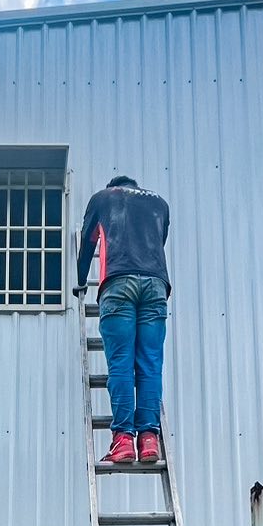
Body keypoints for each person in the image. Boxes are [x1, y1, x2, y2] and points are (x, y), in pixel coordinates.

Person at [74, 175, 170, 465]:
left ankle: (124, 440)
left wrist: (80, 282)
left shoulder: (103, 198)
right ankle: (149, 438)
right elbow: (158, 242)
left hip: (119, 284)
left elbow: (88, 244)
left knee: (121, 364)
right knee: (151, 364)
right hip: (155, 285)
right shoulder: (159, 204)